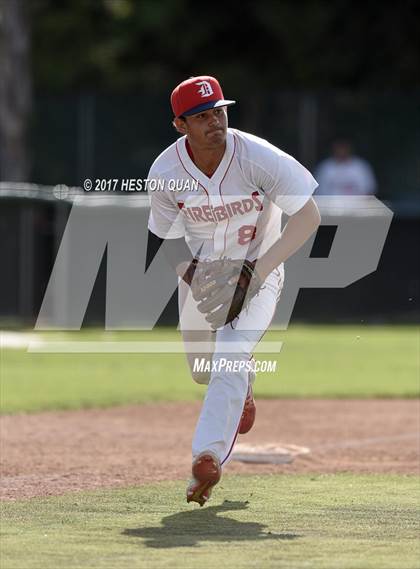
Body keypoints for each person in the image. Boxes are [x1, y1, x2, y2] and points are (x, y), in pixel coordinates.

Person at [147, 75, 321, 506]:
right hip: (203, 279)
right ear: (180, 125)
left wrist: (257, 274)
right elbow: (164, 240)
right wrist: (197, 280)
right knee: (203, 371)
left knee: (229, 353)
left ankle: (205, 457)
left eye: (219, 111)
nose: (215, 122)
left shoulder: (257, 157)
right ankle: (243, 388)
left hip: (260, 270)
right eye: (202, 116)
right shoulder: (166, 172)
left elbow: (309, 216)